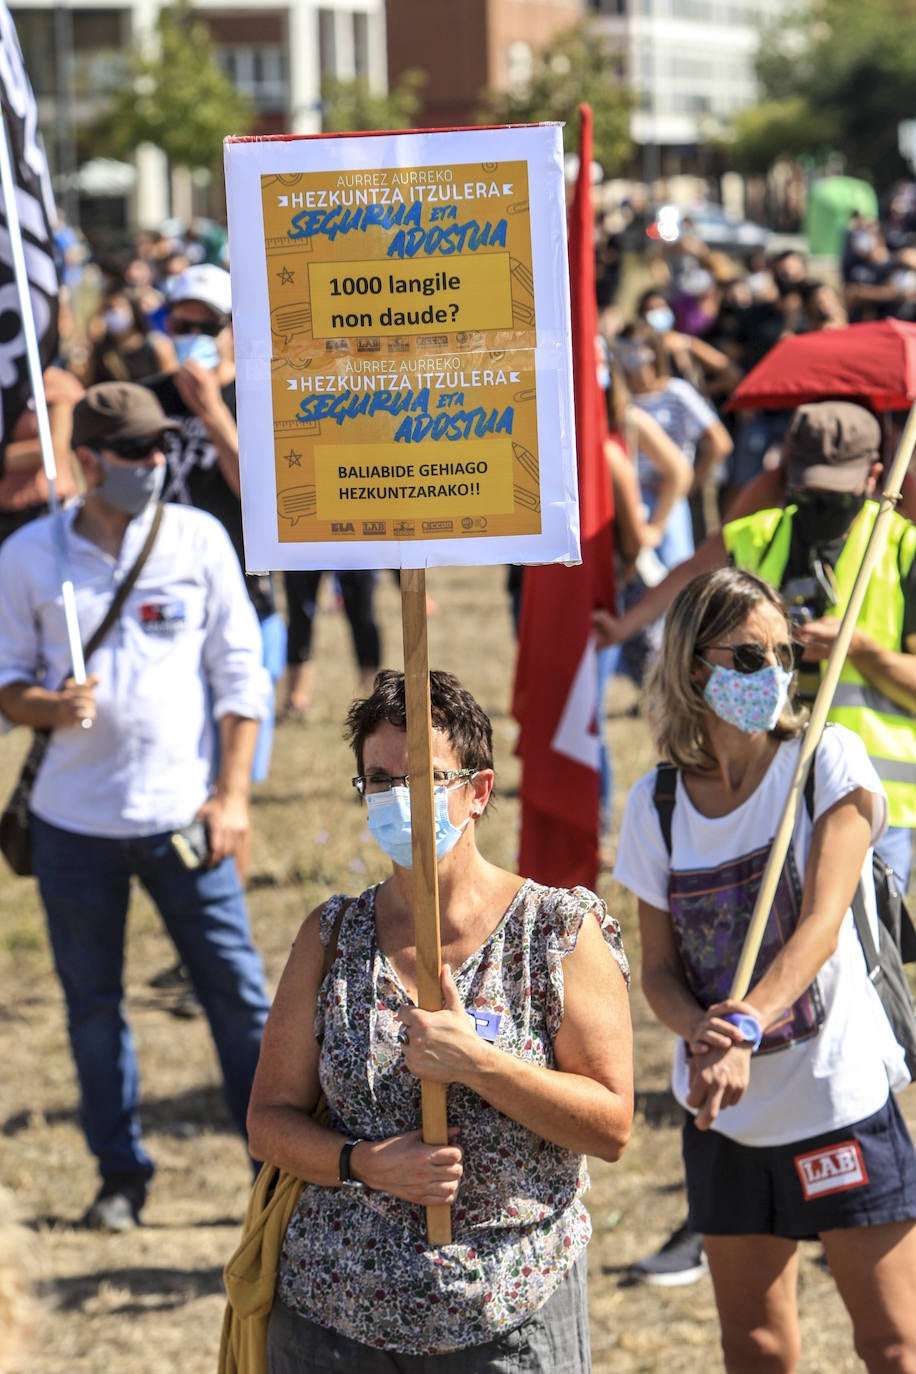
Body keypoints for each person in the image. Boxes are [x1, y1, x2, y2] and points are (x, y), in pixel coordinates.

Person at [246, 669, 634, 1371]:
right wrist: (362, 1164)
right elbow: (269, 1121)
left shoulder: (556, 931)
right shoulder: (332, 935)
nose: (399, 798)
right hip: (333, 1323)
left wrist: (480, 1065)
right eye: (380, 780)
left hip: (501, 1323)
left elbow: (611, 1126)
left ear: (478, 790)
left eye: (424, 778)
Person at [614, 566, 916, 1371]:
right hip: (728, 1121)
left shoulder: (825, 761)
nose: (775, 675)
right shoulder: (658, 804)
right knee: (754, 1346)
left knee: (891, 1344)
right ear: (692, 666)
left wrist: (745, 1021)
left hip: (834, 1099)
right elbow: (658, 970)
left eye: (785, 655)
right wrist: (698, 1030)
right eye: (748, 657)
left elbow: (821, 923)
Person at [0, 382, 272, 1231]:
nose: (155, 466)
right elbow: (7, 684)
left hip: (186, 819)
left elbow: (240, 675)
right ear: (86, 462)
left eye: (162, 450)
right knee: (92, 1004)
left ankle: (275, 1170)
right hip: (73, 824)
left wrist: (232, 796)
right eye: (136, 454)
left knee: (238, 996)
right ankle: (120, 1176)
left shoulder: (197, 536)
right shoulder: (29, 557)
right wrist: (47, 706)